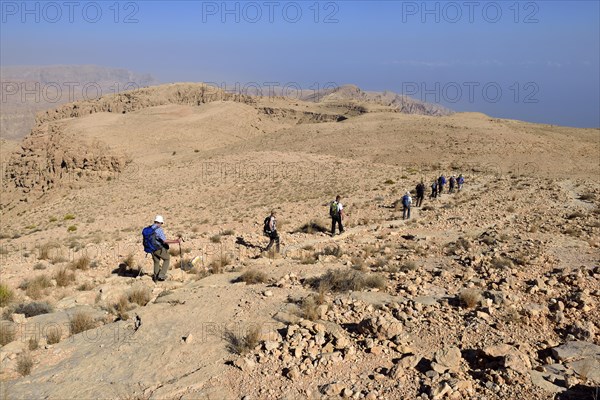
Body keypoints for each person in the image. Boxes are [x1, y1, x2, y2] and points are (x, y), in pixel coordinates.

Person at [149, 215, 181, 282]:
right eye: (161, 223)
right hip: (158, 248)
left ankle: (155, 278)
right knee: (167, 259)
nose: (161, 224)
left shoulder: (150, 228)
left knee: (156, 262)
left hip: (151, 248)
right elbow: (164, 240)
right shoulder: (158, 229)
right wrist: (176, 241)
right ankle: (161, 275)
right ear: (160, 222)